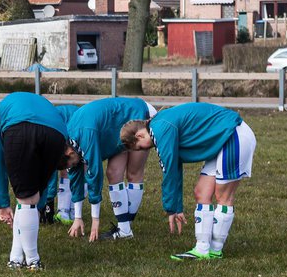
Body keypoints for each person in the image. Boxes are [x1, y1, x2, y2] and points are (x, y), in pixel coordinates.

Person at [119, 102, 257, 261]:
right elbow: (175, 165)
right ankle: (202, 249)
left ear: (139, 136)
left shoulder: (160, 128)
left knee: (223, 196)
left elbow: (169, 169)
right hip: (221, 139)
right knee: (201, 192)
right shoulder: (159, 125)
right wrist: (175, 208)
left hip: (233, 134)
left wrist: (171, 208)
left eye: (140, 148)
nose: (144, 151)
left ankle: (215, 250)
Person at [0, 92, 79, 270]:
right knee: (29, 201)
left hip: (20, 127)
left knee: (26, 200)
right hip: (56, 133)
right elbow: (46, 180)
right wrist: (39, 205)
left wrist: (2, 204)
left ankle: (33, 260)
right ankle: (16, 257)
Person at [65, 97, 157, 242]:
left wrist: (95, 220)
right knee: (113, 173)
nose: (70, 168)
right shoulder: (70, 141)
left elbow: (94, 173)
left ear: (69, 153)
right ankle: (125, 229)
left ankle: (126, 228)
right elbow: (75, 174)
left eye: (69, 164)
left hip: (138, 114)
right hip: (115, 127)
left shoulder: (85, 135)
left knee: (133, 173)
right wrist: (78, 217)